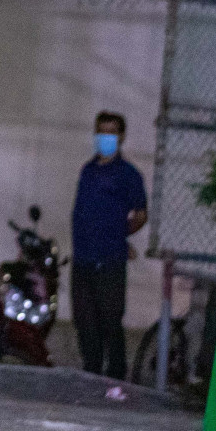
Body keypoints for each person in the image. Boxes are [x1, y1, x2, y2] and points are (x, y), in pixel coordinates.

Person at [69, 110, 148, 380]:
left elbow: (140, 214)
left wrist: (117, 234)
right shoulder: (88, 170)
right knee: (85, 323)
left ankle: (115, 377)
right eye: (101, 131)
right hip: (83, 260)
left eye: (111, 133)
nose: (105, 137)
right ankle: (91, 373)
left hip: (110, 262)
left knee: (110, 322)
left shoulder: (128, 175)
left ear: (122, 137)